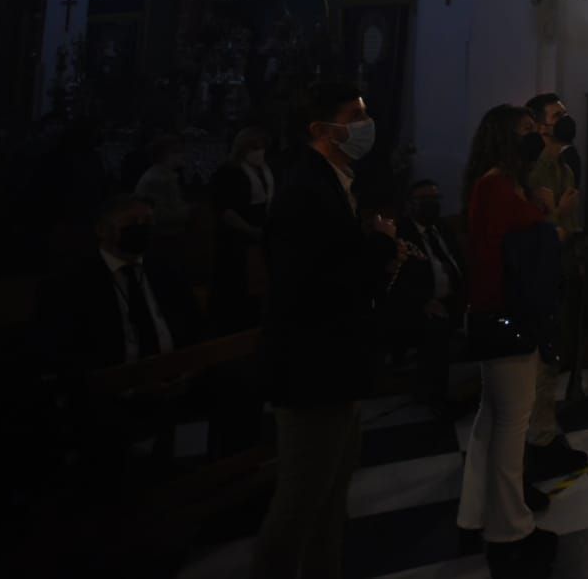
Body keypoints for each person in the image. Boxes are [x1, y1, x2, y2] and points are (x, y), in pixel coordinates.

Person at [252, 82, 403, 579]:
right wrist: (379, 248)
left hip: (335, 363)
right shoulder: (304, 190)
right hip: (312, 367)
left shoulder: (333, 183)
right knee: (300, 499)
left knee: (331, 495)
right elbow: (313, 282)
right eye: (355, 116)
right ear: (321, 129)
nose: (365, 124)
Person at [459, 105, 559, 578]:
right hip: (507, 315)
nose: (535, 138)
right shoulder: (498, 187)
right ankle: (509, 531)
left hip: (492, 314)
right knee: (509, 428)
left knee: (491, 421)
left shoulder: (491, 183)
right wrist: (544, 210)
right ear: (504, 137)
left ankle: (475, 512)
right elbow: (538, 235)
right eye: (526, 132)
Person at [39, 194, 204, 372]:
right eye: (131, 221)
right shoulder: (70, 284)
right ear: (102, 229)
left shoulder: (167, 270)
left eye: (147, 220)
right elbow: (64, 352)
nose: (140, 227)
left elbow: (194, 325)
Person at [521, 93, 588, 479]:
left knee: (555, 356)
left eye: (565, 114)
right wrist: (559, 219)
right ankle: (538, 441)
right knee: (541, 360)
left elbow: (567, 222)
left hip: (563, 263)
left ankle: (547, 432)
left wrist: (562, 222)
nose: (565, 120)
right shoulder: (536, 169)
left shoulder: (564, 166)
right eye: (557, 116)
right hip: (541, 269)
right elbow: (547, 226)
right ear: (540, 125)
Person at [385, 179, 466, 410]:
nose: (431, 205)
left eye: (434, 199)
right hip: (416, 304)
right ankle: (435, 398)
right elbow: (397, 280)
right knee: (435, 330)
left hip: (452, 299)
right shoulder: (401, 234)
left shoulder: (441, 229)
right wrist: (423, 301)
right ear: (410, 204)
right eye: (424, 200)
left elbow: (456, 262)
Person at [209, 127, 272, 332]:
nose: (259, 151)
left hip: (261, 235)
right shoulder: (229, 172)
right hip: (236, 240)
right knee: (238, 287)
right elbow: (226, 209)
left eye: (262, 147)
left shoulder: (265, 170)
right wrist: (250, 230)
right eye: (254, 147)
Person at [134, 134, 193, 264]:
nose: (183, 155)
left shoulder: (163, 176)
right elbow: (160, 216)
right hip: (163, 241)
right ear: (166, 155)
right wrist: (190, 211)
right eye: (178, 152)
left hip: (165, 238)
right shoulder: (159, 180)